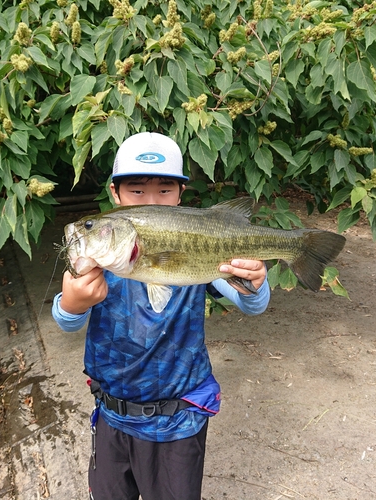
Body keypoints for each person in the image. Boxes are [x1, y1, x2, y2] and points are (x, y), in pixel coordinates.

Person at [52, 132, 270, 500]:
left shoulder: (195, 237)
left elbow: (252, 304)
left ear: (181, 195)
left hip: (178, 421)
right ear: (115, 195)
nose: (151, 199)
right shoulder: (100, 261)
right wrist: (72, 303)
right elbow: (66, 318)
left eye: (165, 190)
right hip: (112, 415)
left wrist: (255, 281)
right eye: (136, 191)